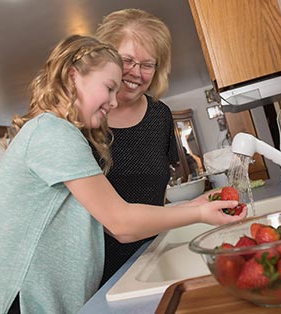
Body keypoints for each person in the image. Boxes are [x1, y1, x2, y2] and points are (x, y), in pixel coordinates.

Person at [0, 35, 246, 314]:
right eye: (109, 87)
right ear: (73, 76)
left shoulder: (58, 132)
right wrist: (198, 214)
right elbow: (121, 224)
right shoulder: (52, 132)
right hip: (11, 302)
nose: (113, 101)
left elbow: (109, 222)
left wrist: (194, 205)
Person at [93, 8, 181, 286]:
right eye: (126, 60)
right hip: (100, 272)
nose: (135, 73)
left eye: (147, 64)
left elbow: (159, 190)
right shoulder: (84, 120)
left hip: (153, 257)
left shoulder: (161, 115)